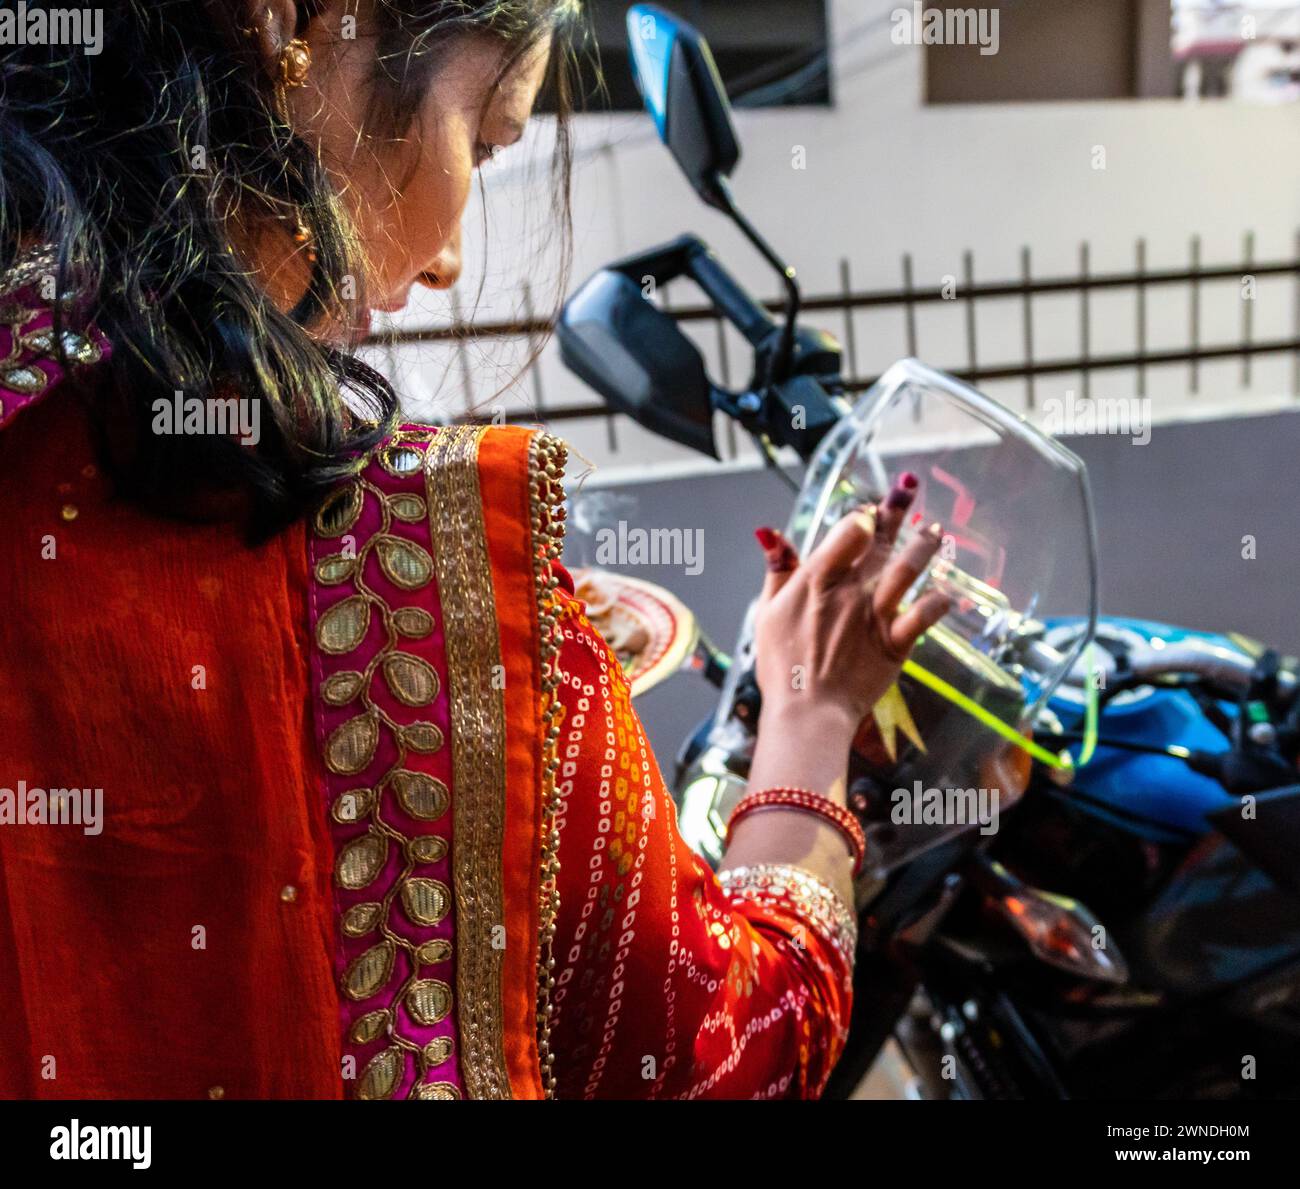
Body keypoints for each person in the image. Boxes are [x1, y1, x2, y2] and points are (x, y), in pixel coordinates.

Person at [0, 1, 948, 1100]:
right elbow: (731, 1053)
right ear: (292, 26)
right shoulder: (414, 584)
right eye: (486, 135)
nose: (450, 259)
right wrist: (813, 715)